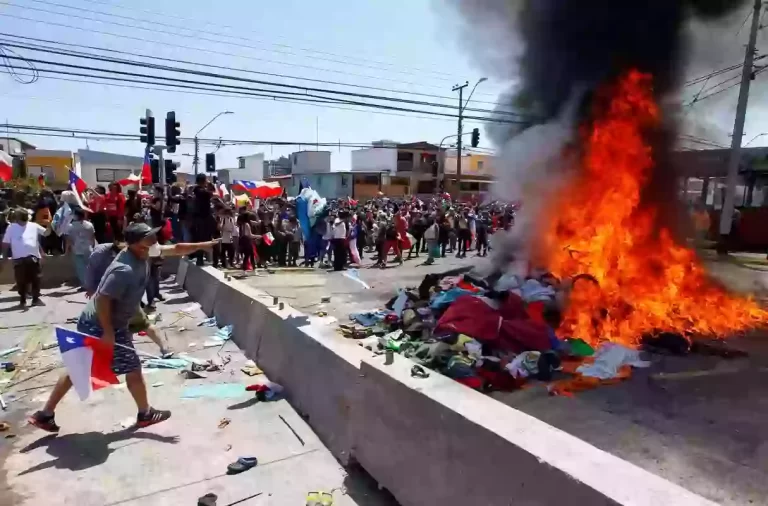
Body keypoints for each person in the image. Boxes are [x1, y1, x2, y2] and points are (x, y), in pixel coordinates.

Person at [28, 223, 218, 433]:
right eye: (150, 237)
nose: (155, 240)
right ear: (137, 244)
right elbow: (102, 300)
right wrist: (108, 332)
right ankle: (145, 414)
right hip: (102, 323)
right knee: (132, 367)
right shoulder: (123, 269)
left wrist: (205, 245)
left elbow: (177, 248)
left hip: (104, 322)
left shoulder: (144, 252)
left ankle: (45, 414)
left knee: (79, 368)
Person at [1, 208, 49, 307]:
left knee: (36, 279)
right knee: (21, 280)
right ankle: (23, 299)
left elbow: (46, 233)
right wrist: (4, 257)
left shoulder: (34, 226)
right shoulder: (11, 227)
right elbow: (5, 243)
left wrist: (53, 225)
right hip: (19, 259)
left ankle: (35, 299)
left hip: (33, 258)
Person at [66, 207, 96, 289]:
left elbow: (69, 240)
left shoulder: (71, 226)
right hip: (88, 248)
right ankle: (92, 283)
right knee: (89, 267)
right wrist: (93, 246)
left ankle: (85, 285)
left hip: (77, 249)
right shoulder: (89, 225)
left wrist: (67, 250)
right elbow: (92, 237)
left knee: (81, 269)